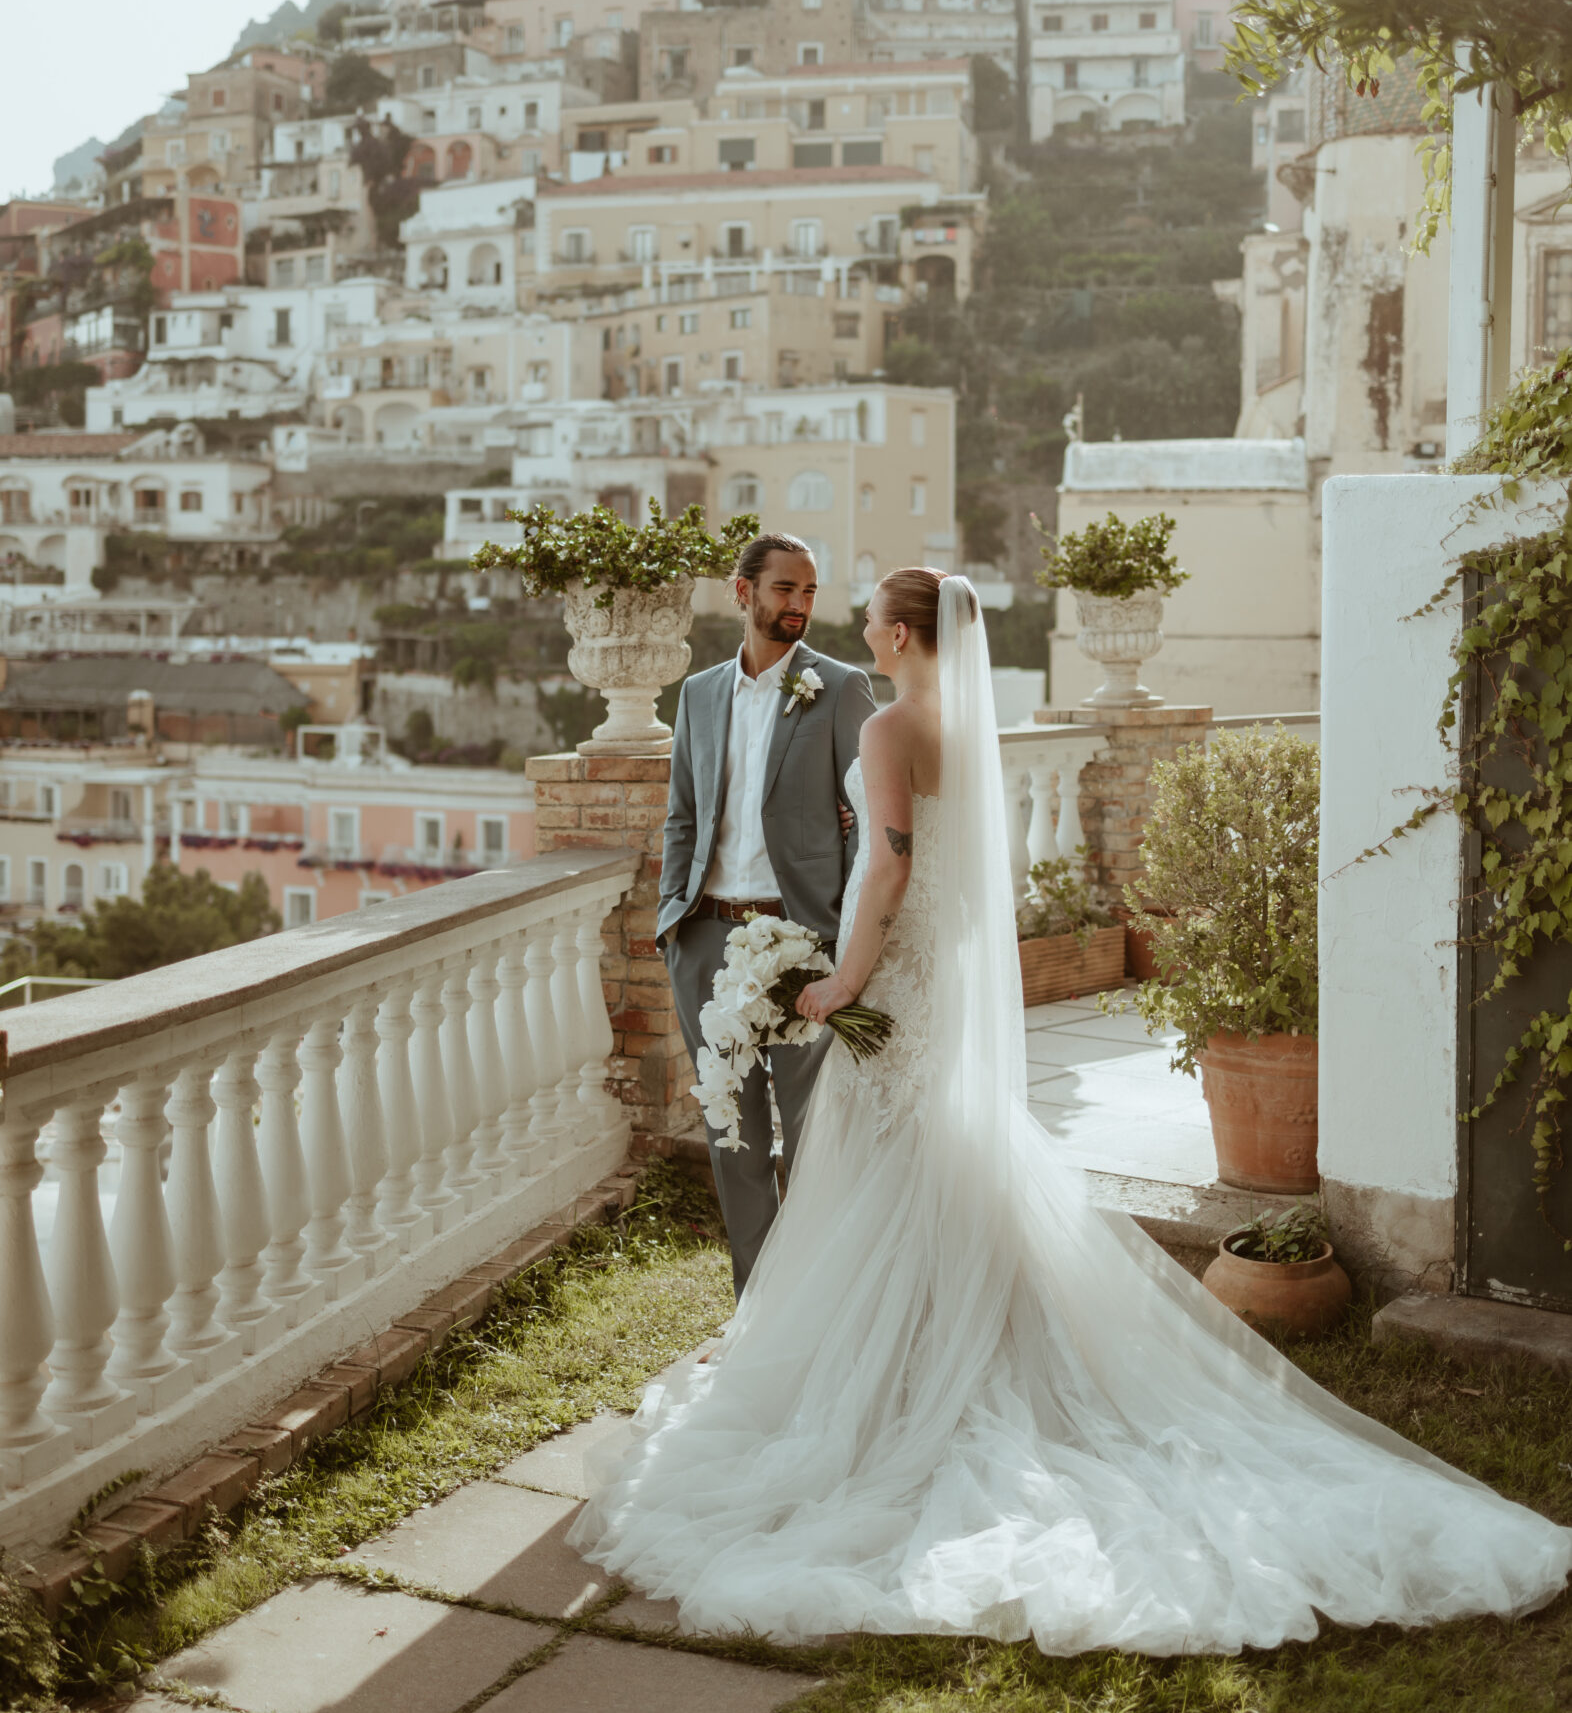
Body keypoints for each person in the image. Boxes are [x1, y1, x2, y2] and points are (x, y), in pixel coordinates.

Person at [571, 568, 1572, 1653]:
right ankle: (935, 1340)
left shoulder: (891, 728)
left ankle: (904, 1375)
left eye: (869, 616)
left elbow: (889, 872)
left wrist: (842, 980)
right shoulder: (959, 727)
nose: (858, 626)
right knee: (946, 1165)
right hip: (939, 983)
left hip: (896, 978)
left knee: (896, 1170)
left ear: (902, 635)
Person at [656, 529, 874, 1295]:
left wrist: (843, 942)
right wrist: (671, 920)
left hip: (800, 941)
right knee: (732, 1135)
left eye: (810, 591)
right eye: (786, 589)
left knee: (814, 1135)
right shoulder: (699, 693)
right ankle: (758, 1311)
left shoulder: (841, 687)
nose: (800, 606)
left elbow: (871, 822)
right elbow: (682, 815)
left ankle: (817, 1305)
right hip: (706, 939)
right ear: (742, 592)